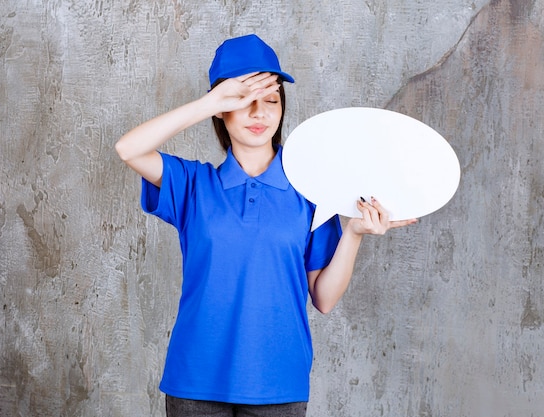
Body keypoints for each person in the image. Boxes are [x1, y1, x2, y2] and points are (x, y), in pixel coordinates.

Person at [115, 34, 416, 417]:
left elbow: (323, 299)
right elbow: (129, 149)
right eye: (244, 102)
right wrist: (209, 102)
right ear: (222, 110)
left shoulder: (312, 190)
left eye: (270, 101)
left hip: (279, 384)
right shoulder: (194, 184)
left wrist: (354, 233)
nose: (259, 114)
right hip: (196, 380)